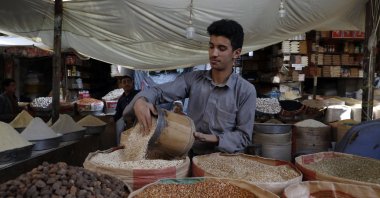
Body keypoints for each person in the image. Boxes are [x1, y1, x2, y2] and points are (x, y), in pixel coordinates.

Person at [123, 19, 256, 155]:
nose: (214, 53)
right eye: (211, 46)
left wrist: (216, 139)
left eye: (221, 48)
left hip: (224, 159)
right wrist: (141, 100)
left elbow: (244, 136)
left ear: (236, 53)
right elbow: (158, 91)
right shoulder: (193, 79)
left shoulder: (245, 91)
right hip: (190, 153)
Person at [114, 74, 140, 144]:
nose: (126, 84)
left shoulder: (139, 94)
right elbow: (118, 113)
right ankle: (119, 146)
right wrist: (113, 119)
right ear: (121, 85)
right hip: (126, 122)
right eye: (124, 82)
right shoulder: (121, 99)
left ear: (132, 83)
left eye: (128, 81)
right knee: (119, 123)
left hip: (138, 120)